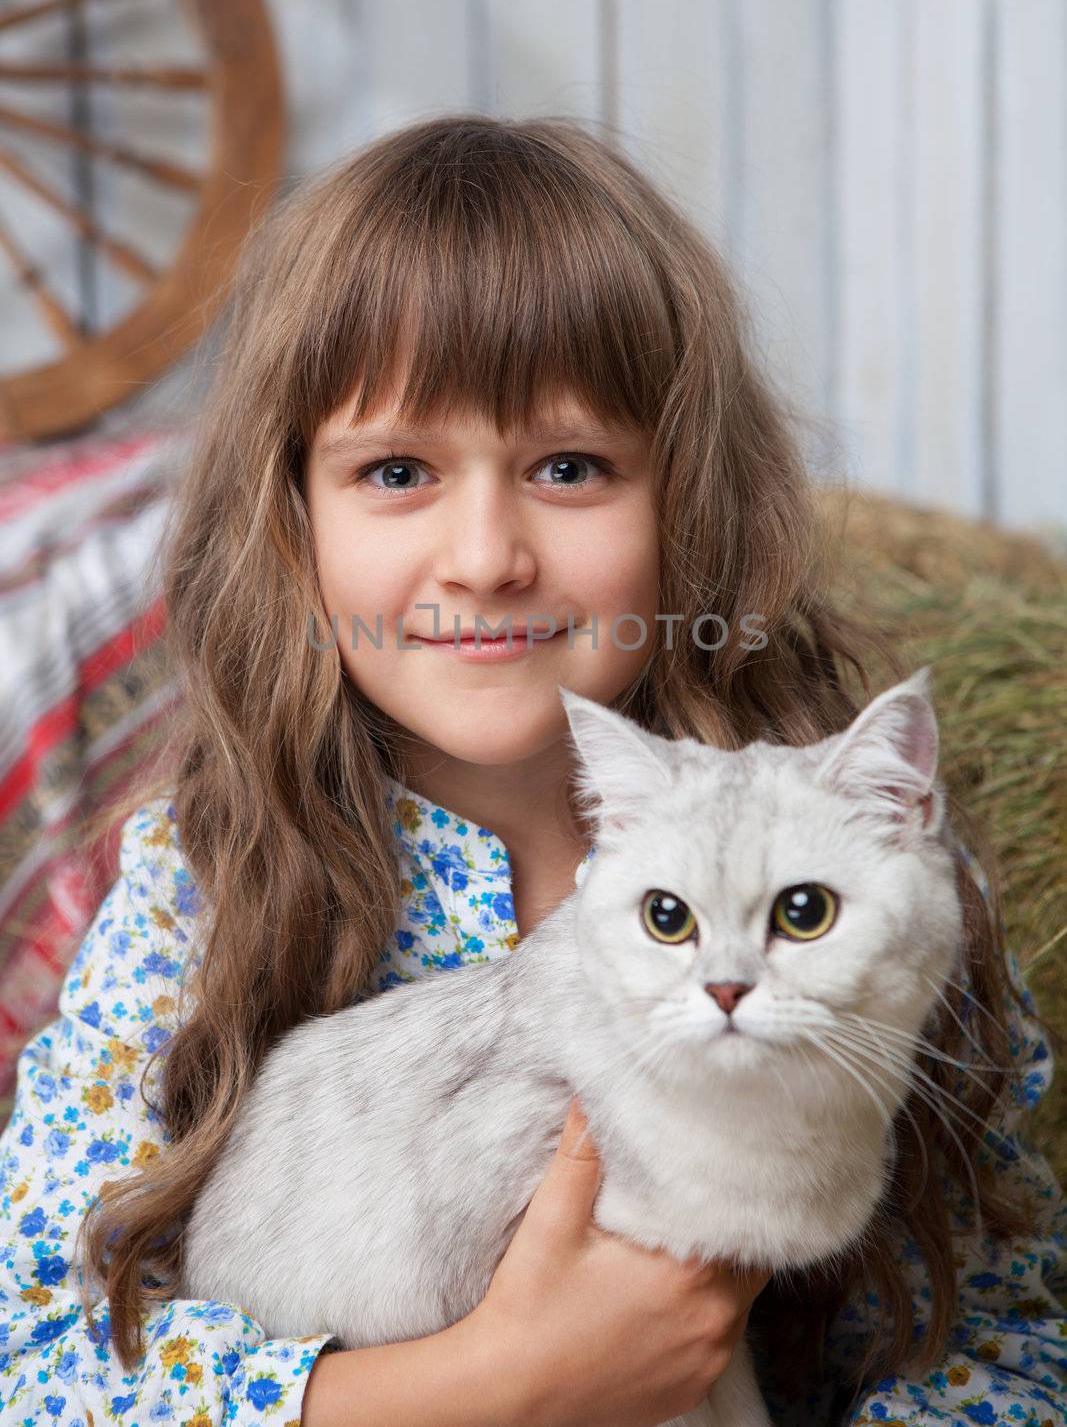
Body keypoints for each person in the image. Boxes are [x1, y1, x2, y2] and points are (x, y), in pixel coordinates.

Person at [0, 114, 1063, 1427]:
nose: (487, 555)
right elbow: (37, 1362)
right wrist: (497, 1386)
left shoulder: (857, 875)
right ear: (293, 523)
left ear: (690, 502)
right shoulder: (201, 894)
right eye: (397, 471)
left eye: (568, 467)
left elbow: (1005, 1338)